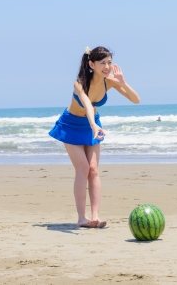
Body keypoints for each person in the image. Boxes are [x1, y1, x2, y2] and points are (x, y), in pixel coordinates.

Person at [49, 46, 140, 228]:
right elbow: (88, 105)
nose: (107, 67)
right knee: (83, 168)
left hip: (93, 124)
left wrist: (123, 83)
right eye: (102, 63)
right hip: (72, 125)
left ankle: (95, 216)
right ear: (91, 64)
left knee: (94, 169)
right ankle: (81, 218)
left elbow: (136, 100)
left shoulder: (110, 81)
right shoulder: (80, 83)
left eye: (109, 63)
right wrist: (93, 125)